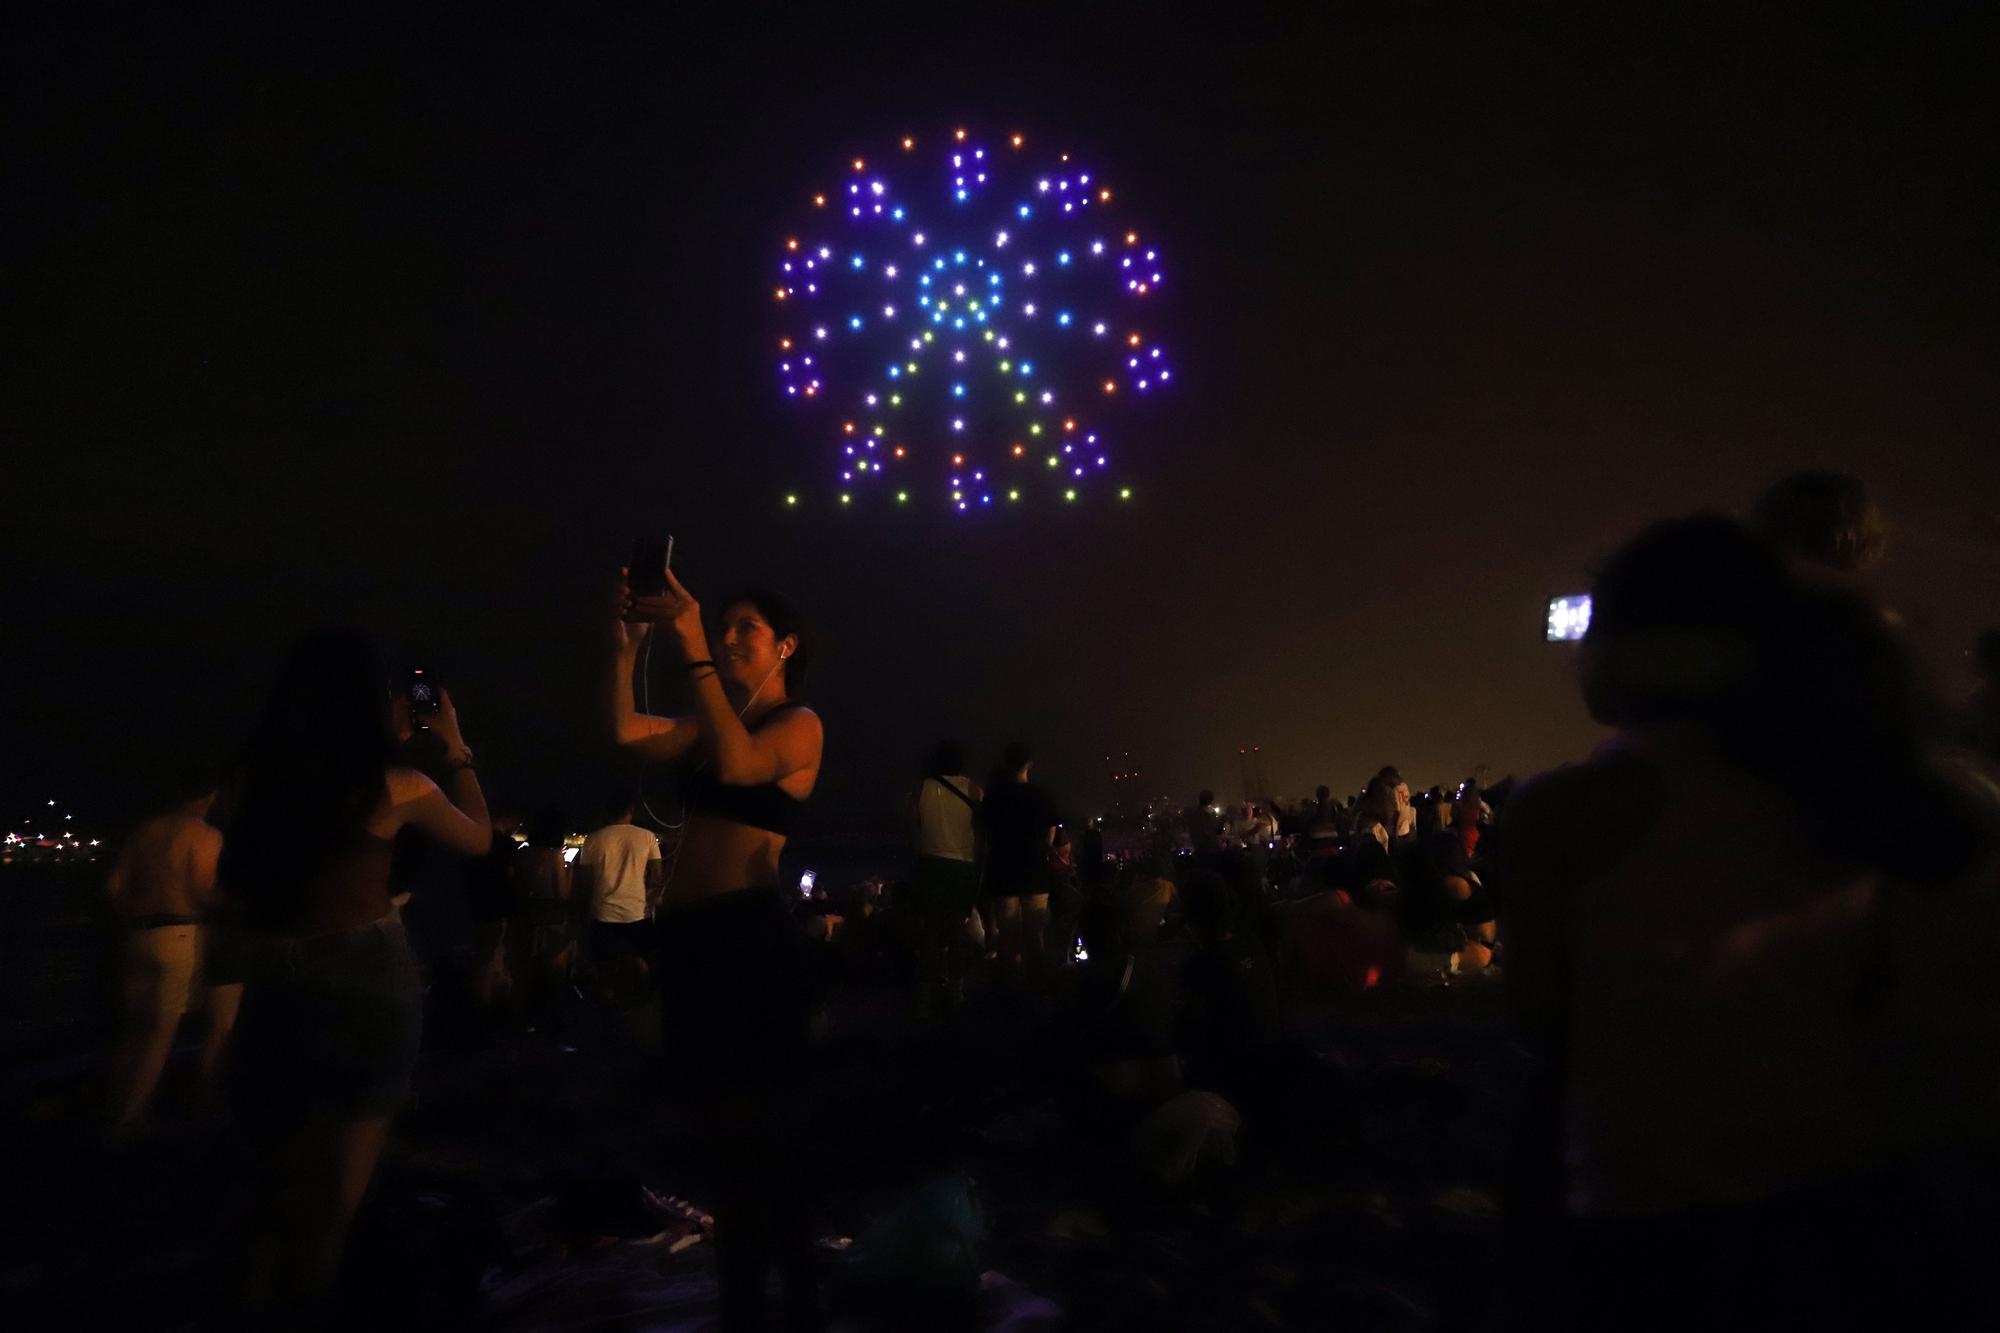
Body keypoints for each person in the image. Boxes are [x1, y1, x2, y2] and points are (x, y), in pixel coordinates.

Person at [1500, 516, 1990, 1327]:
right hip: (1843, 1213)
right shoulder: (1845, 783)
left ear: (1629, 646)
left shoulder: (1566, 810)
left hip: (1645, 1216)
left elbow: (1539, 1011)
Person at [221, 627, 489, 1319]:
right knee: (334, 1195)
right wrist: (452, 743)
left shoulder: (256, 786)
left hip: (276, 973)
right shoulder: (397, 784)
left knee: (272, 1183)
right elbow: (480, 837)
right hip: (369, 973)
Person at [613, 570, 825, 1331]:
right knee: (719, 1135)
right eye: (725, 626)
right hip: (694, 940)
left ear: (785, 647)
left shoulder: (799, 723)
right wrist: (627, 646)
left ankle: (794, 1301)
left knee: (760, 1134)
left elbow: (740, 766)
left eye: (748, 629)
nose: (733, 639)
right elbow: (627, 730)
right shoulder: (715, 720)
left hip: (748, 941)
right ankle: (746, 1302)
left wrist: (694, 643)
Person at [103, 771, 224, 1133]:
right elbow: (202, 890)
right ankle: (130, 1118)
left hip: (138, 934)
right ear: (207, 797)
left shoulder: (145, 832)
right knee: (160, 1031)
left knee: (134, 1027)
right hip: (179, 934)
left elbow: (114, 888)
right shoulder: (204, 834)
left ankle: (112, 1102)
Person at [907, 741, 981, 1016]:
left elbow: (913, 829)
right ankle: (956, 990)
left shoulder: (921, 788)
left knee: (930, 932)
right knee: (956, 931)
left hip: (930, 864)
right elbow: (981, 835)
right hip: (962, 866)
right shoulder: (974, 790)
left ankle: (927, 992)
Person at [575, 788, 662, 1006]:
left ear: (607, 811)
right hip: (637, 913)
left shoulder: (594, 840)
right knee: (643, 962)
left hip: (603, 913)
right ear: (631, 809)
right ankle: (642, 1003)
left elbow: (586, 883)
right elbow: (656, 877)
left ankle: (608, 1010)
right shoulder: (647, 837)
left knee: (604, 968)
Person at [979, 741, 1059, 975]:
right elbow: (1049, 837)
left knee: (1008, 937)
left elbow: (984, 836)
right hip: (1035, 873)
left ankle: (1010, 987)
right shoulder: (1041, 796)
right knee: (1035, 937)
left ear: (1005, 764)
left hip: (1003, 874)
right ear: (1029, 765)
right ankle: (1036, 986)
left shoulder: (993, 799)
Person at [509, 805, 573, 1030]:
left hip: (524, 918)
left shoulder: (522, 854)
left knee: (526, 974)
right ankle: (552, 1025)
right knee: (554, 976)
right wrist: (569, 869)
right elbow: (562, 893)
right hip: (552, 920)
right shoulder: (555, 855)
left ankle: (524, 1023)